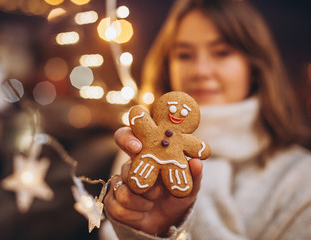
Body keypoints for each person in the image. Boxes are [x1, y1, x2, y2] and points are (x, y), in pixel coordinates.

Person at [101, 0, 311, 239]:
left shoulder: (302, 177)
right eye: (184, 54)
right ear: (168, 64)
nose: (200, 70)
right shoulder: (137, 149)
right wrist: (143, 232)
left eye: (222, 53)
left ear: (254, 65)